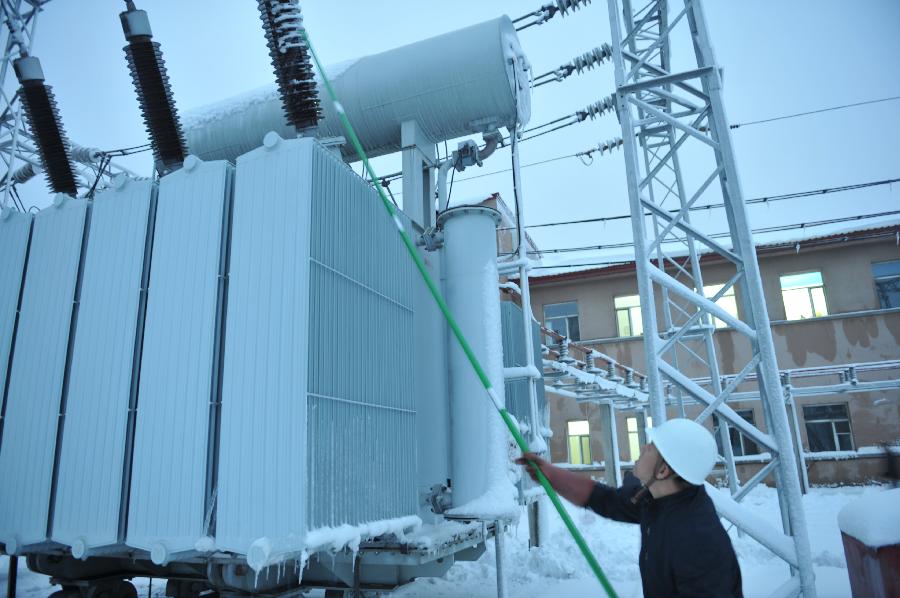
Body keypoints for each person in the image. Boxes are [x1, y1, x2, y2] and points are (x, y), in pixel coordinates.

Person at [517, 417, 742, 597]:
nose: (644, 447)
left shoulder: (696, 542)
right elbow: (607, 500)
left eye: (652, 447)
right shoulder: (663, 500)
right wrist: (550, 474)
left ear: (663, 471)